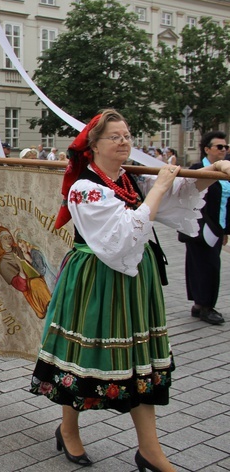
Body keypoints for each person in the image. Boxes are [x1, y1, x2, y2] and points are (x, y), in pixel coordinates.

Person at [30, 109, 228, 472]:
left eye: (127, 135)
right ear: (94, 145)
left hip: (135, 280)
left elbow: (173, 199)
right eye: (115, 136)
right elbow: (121, 236)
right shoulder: (84, 188)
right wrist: (162, 187)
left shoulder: (129, 179)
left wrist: (209, 176)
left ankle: (150, 451)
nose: (124, 141)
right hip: (95, 278)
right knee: (85, 359)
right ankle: (68, 429)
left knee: (139, 364)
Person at [182, 131, 230, 325]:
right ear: (207, 149)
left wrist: (226, 231)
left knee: (208, 265)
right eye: (219, 147)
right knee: (202, 266)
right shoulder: (196, 169)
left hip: (217, 229)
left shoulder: (226, 172)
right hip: (199, 227)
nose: (224, 150)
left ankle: (200, 304)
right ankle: (205, 306)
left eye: (226, 147)